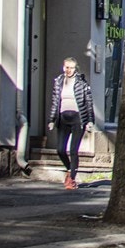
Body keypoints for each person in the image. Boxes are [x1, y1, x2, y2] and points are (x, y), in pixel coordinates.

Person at [49, 56, 95, 190]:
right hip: (63, 119)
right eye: (66, 67)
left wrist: (90, 121)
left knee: (73, 150)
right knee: (60, 150)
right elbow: (55, 102)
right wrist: (51, 120)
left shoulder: (82, 83)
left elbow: (89, 103)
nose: (68, 70)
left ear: (75, 69)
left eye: (71, 67)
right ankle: (70, 169)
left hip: (77, 119)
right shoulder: (59, 82)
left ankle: (72, 179)